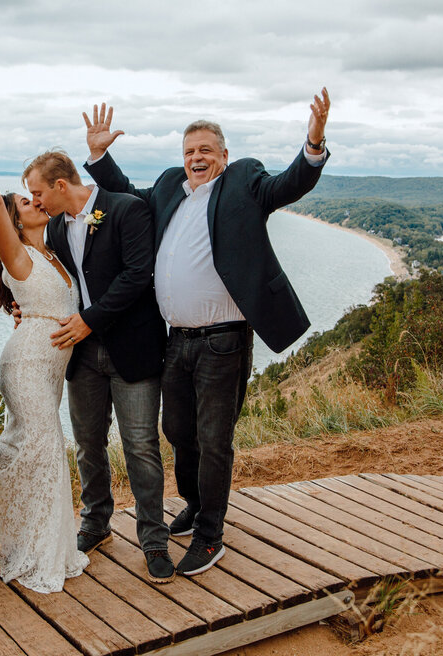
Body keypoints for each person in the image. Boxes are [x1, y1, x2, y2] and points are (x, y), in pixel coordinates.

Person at [82, 89, 331, 576]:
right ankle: (196, 504)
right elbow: (130, 197)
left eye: (205, 151)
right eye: (189, 151)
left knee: (214, 439)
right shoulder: (172, 186)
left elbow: (289, 185)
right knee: (178, 431)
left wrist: (314, 144)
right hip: (177, 339)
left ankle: (211, 535)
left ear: (223, 155)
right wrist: (98, 156)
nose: (196, 158)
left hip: (224, 337)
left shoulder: (243, 182)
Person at [0, 135, 90, 593]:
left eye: (36, 195)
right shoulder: (16, 251)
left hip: (53, 369)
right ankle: (35, 552)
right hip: (25, 364)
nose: (36, 202)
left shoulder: (56, 249)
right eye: (25, 201)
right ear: (11, 218)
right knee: (46, 450)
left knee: (33, 449)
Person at [22, 150, 173, 583]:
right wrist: (31, 310)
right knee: (88, 442)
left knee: (140, 446)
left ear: (60, 186)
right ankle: (95, 522)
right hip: (81, 354)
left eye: (38, 192)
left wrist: (89, 320)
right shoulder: (53, 226)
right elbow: (57, 283)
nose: (35, 202)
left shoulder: (127, 209)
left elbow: (137, 275)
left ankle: (154, 538)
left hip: (132, 348)